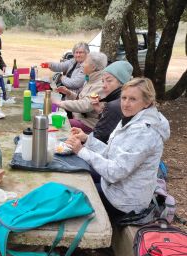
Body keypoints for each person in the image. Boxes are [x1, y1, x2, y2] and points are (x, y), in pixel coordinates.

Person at [65, 77, 170, 219]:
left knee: (70, 196)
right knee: (75, 175)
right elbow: (111, 153)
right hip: (115, 187)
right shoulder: (133, 118)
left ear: (147, 102)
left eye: (133, 99)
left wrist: (81, 151)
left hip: (124, 203)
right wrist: (87, 139)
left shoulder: (144, 132)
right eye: (124, 98)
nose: (126, 104)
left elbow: (115, 172)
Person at [52, 52, 107, 133]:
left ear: (93, 67)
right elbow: (81, 99)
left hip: (89, 124)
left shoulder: (100, 84)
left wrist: (60, 103)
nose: (82, 65)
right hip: (78, 117)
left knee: (56, 125)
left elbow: (85, 105)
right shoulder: (91, 78)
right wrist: (68, 93)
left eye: (85, 62)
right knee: (54, 120)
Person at [91, 60, 133, 143]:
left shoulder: (115, 105)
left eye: (109, 80)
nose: (103, 86)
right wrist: (99, 111)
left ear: (122, 83)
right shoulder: (123, 100)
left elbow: (98, 138)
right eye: (103, 81)